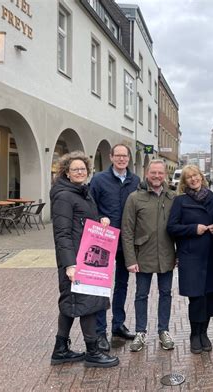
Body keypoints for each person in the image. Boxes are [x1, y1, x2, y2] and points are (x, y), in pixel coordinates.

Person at [49, 151, 119, 368]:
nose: (80, 172)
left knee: (71, 302)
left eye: (83, 169)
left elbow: (83, 221)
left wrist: (100, 220)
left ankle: (60, 350)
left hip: (85, 258)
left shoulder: (82, 193)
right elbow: (62, 233)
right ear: (66, 173)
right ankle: (93, 352)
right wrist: (70, 264)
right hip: (76, 262)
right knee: (88, 303)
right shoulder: (64, 196)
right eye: (75, 169)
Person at [167, 165, 213, 354]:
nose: (193, 179)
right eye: (189, 177)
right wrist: (194, 229)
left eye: (196, 175)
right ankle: (195, 334)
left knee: (210, 296)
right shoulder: (180, 201)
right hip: (191, 256)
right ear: (184, 182)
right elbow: (172, 227)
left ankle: (205, 333)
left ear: (202, 177)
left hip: (212, 255)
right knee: (196, 298)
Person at [121, 159, 176, 352]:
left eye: (160, 173)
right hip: (142, 255)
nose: (157, 176)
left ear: (165, 175)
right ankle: (140, 332)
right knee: (141, 295)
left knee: (166, 294)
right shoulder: (134, 198)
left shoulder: (172, 197)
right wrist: (130, 259)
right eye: (153, 173)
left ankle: (164, 330)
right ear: (147, 173)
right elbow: (127, 230)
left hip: (167, 254)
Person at [90, 144, 140, 351]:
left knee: (122, 284)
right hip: (104, 240)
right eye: (117, 155)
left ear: (129, 158)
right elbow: (89, 205)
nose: (121, 159)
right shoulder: (99, 180)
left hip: (126, 242)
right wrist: (98, 217)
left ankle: (118, 324)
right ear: (111, 157)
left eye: (124, 156)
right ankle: (100, 331)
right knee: (102, 286)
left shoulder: (135, 180)